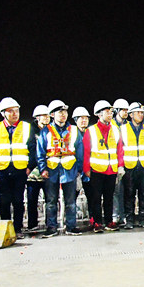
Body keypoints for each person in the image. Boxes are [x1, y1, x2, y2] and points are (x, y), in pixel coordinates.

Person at [37, 100, 83, 237]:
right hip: (52, 170)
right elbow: (40, 151)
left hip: (70, 169)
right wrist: (42, 168)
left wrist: (79, 169)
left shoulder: (73, 130)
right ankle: (51, 227)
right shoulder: (46, 131)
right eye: (60, 112)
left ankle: (71, 226)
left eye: (65, 112)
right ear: (52, 115)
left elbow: (80, 150)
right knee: (51, 201)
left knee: (70, 201)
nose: (63, 114)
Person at [0, 97, 37, 239]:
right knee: (4, 201)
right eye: (10, 111)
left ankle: (18, 229)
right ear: (3, 113)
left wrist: (29, 168)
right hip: (1, 171)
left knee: (18, 201)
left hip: (20, 170)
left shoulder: (26, 127)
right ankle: (6, 229)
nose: (14, 114)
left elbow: (33, 149)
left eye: (16, 111)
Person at [82, 100, 125, 233]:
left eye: (111, 112)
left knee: (109, 197)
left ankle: (109, 221)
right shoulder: (91, 131)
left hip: (111, 170)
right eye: (107, 112)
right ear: (99, 114)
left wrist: (120, 166)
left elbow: (119, 150)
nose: (110, 114)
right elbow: (86, 151)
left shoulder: (115, 130)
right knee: (96, 197)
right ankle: (97, 222)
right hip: (96, 170)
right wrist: (86, 169)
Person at [120, 102, 144, 229]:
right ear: (131, 114)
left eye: (142, 113)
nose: (141, 115)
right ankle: (129, 219)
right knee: (129, 193)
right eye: (138, 112)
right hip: (129, 167)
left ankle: (143, 218)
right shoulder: (123, 129)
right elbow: (120, 149)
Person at [25, 105, 50, 232]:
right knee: (32, 199)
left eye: (48, 115)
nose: (46, 118)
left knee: (50, 199)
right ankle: (32, 224)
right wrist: (29, 166)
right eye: (44, 115)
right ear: (37, 117)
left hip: (48, 171)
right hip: (33, 172)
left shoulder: (52, 130)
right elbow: (30, 149)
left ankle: (50, 223)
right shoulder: (30, 130)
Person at [72, 106, 94, 228]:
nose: (84, 121)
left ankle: (93, 219)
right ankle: (71, 222)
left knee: (92, 197)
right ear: (76, 120)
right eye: (81, 118)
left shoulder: (91, 133)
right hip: (76, 172)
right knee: (72, 199)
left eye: (86, 118)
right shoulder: (72, 133)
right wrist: (76, 171)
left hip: (89, 171)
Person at [111, 98, 129, 226]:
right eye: (123, 110)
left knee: (126, 191)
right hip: (115, 164)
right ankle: (116, 215)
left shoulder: (128, 125)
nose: (126, 112)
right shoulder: (111, 125)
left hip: (128, 163)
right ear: (117, 111)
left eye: (127, 110)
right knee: (116, 191)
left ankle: (124, 215)